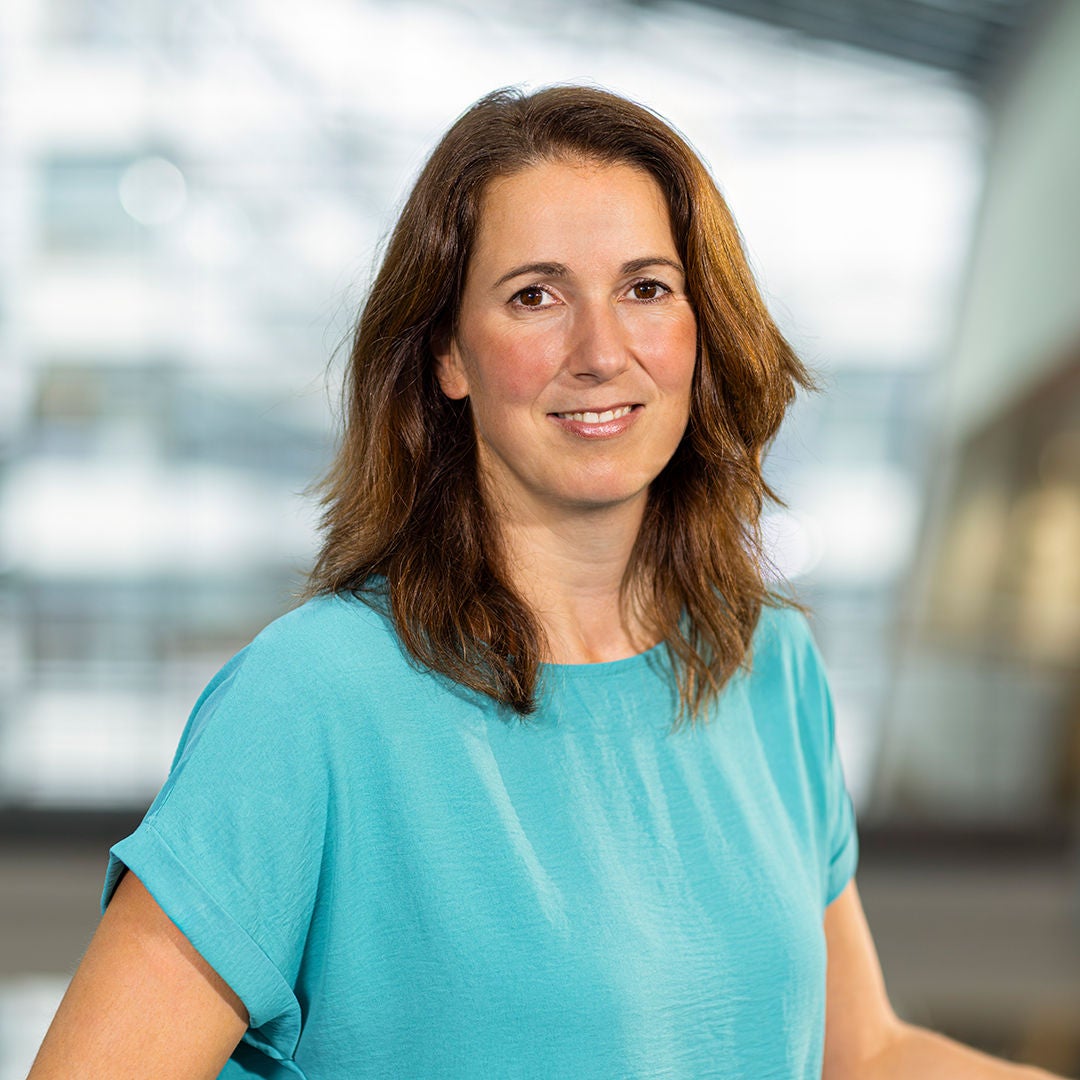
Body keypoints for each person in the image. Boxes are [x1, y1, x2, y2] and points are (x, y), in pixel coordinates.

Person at [29, 86, 1064, 1080]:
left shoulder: (763, 667)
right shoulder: (312, 701)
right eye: (536, 296)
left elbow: (863, 1056)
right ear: (448, 355)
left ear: (701, 331)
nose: (600, 350)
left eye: (646, 289)